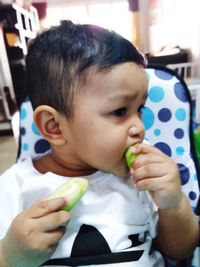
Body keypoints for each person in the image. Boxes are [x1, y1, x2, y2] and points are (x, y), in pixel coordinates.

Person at [0, 20, 199, 267]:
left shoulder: (143, 178)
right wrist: (9, 256)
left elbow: (181, 250)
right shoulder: (14, 189)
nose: (139, 127)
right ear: (54, 126)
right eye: (119, 111)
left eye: (140, 109)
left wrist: (174, 203)